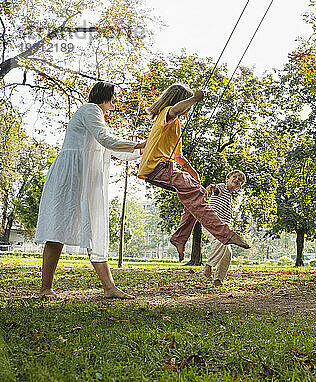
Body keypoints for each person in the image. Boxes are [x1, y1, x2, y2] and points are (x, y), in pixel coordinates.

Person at [36, 81, 145, 299]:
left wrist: (145, 151)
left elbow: (114, 148)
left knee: (94, 228)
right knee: (57, 230)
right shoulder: (90, 110)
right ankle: (45, 288)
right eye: (114, 95)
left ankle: (109, 288)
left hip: (83, 177)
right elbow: (107, 140)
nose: (116, 100)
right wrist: (142, 144)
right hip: (71, 176)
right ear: (104, 95)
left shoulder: (97, 116)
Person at [137, 83, 250, 261]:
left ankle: (180, 238)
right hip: (156, 168)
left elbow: (178, 156)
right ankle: (226, 234)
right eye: (187, 104)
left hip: (165, 167)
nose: (189, 109)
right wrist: (194, 99)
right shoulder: (167, 114)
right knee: (196, 193)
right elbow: (174, 110)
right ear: (182, 101)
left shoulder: (175, 125)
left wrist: (193, 174)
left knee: (198, 193)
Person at [201, 170, 246, 286]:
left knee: (228, 252)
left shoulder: (230, 199)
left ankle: (218, 280)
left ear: (240, 186)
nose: (237, 179)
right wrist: (212, 188)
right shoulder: (222, 187)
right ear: (227, 179)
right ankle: (209, 266)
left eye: (240, 180)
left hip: (222, 227)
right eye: (234, 177)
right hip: (211, 222)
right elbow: (215, 189)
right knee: (222, 240)